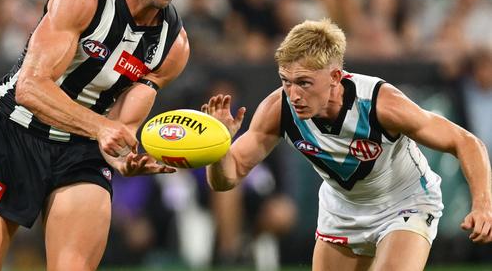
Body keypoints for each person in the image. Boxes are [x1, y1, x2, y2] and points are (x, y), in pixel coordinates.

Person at [0, 0, 194, 271]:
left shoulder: (172, 47)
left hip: (82, 151)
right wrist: (100, 129)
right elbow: (30, 88)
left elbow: (121, 124)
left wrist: (120, 155)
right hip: (16, 133)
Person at [203, 19, 492, 271]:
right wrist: (218, 148)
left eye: (303, 82)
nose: (293, 94)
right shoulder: (278, 109)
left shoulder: (380, 103)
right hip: (342, 210)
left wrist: (483, 205)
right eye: (285, 81)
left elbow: (465, 141)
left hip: (405, 202)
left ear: (335, 77)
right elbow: (227, 178)